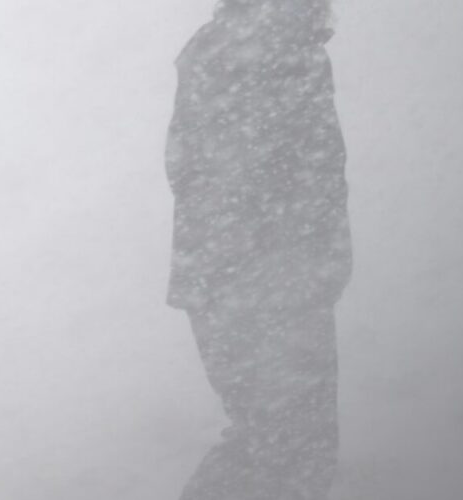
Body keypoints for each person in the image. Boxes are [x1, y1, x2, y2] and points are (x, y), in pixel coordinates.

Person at [164, 1, 352, 499]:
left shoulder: (225, 50)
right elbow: (276, 178)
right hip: (269, 283)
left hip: (238, 279)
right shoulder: (273, 53)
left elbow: (190, 169)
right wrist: (300, 262)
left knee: (272, 445)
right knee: (289, 451)